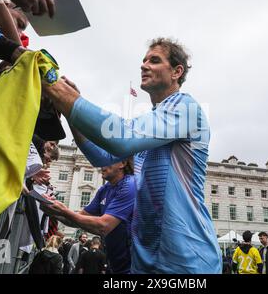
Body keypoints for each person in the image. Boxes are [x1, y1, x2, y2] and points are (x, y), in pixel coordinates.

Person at [40, 37, 222, 274]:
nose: (144, 65)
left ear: (177, 71)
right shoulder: (152, 124)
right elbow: (103, 156)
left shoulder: (185, 107)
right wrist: (67, 111)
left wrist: (53, 84)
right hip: (146, 262)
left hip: (188, 261)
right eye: (144, 60)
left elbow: (121, 137)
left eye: (154, 60)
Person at [41, 158, 136, 274]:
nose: (102, 163)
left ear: (123, 163)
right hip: (113, 263)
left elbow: (103, 227)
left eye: (108, 159)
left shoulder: (130, 185)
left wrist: (64, 210)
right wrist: (53, 210)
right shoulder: (105, 189)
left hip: (133, 265)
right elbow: (74, 220)